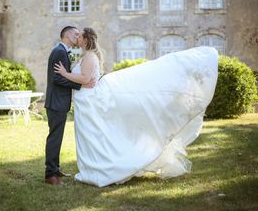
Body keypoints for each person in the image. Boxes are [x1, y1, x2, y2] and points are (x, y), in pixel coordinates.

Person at [54, 27, 219, 187]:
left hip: (89, 102)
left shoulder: (89, 56)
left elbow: (85, 79)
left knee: (94, 136)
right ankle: (93, 168)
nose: (78, 38)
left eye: (80, 36)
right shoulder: (86, 55)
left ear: (86, 40)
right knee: (89, 137)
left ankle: (102, 169)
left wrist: (64, 73)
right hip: (84, 102)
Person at [44, 26, 83, 185]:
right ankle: (50, 175)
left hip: (59, 102)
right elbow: (56, 78)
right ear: (66, 35)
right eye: (75, 33)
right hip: (56, 103)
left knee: (57, 137)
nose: (78, 36)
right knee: (54, 138)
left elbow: (61, 76)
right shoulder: (59, 51)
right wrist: (79, 85)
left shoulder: (62, 51)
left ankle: (55, 169)